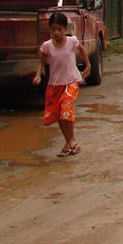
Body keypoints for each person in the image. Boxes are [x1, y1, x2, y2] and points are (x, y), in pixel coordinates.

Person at [33, 11, 90, 157]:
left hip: (70, 82)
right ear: (50, 30)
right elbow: (41, 62)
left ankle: (72, 142)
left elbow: (82, 50)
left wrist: (88, 65)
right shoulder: (47, 46)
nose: (57, 32)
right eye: (53, 29)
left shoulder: (72, 42)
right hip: (55, 84)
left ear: (65, 29)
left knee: (66, 108)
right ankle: (69, 142)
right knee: (59, 114)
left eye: (60, 29)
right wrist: (38, 75)